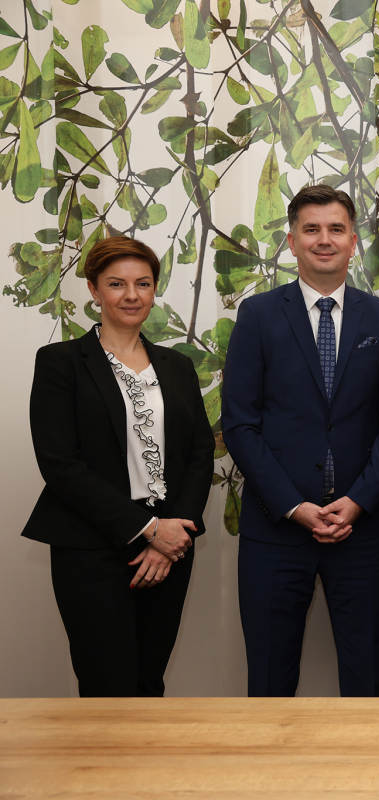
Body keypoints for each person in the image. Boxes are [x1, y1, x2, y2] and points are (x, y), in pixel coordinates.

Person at [223, 184, 379, 697]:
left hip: (360, 530)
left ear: (353, 241)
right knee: (269, 678)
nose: (324, 239)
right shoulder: (258, 315)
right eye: (311, 229)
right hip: (276, 530)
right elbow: (240, 424)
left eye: (335, 229)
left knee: (368, 679)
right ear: (291, 241)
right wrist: (293, 506)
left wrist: (358, 501)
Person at [23, 236, 214, 697]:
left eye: (143, 283)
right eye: (116, 284)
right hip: (91, 548)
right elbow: (60, 464)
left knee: (149, 683)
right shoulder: (60, 363)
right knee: (106, 686)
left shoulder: (177, 366)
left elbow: (199, 453)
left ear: (154, 290)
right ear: (94, 289)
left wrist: (171, 535)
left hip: (170, 549)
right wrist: (148, 529)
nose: (132, 295)